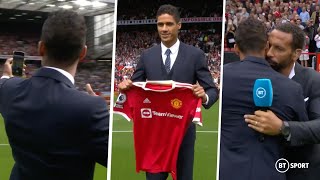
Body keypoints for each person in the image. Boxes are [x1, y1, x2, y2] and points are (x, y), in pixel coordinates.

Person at [0, 10, 109, 180]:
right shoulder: (91, 109)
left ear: (40, 48)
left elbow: (5, 82)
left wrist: (7, 75)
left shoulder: (9, 89)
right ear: (83, 53)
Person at [118, 4, 218, 180]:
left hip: (183, 132)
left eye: (169, 24)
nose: (164, 29)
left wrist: (204, 96)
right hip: (154, 134)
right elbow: (136, 85)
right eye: (160, 24)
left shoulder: (195, 55)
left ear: (179, 25)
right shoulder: (147, 56)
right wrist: (127, 85)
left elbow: (212, 89)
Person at [220, 17, 308, 180]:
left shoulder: (221, 79)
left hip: (227, 171)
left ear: (236, 48)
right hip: (271, 172)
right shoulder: (292, 88)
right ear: (266, 46)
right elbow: (302, 141)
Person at [244, 23, 320, 180]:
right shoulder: (254, 77)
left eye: (278, 48)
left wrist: (282, 128)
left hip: (299, 169)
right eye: (269, 45)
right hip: (259, 167)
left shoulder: (312, 80)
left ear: (296, 54)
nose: (270, 53)